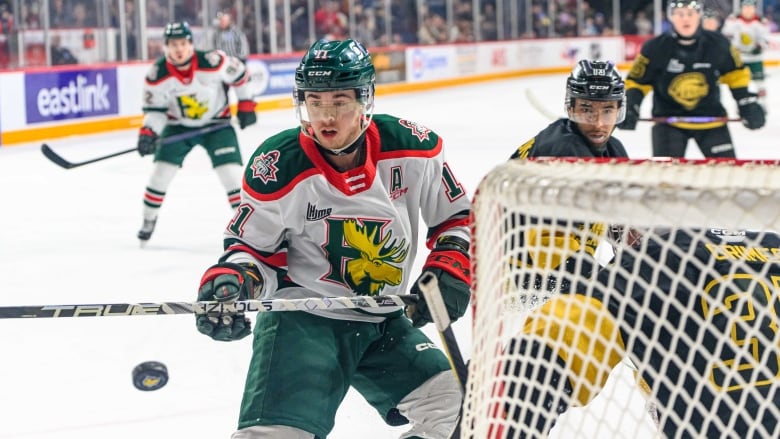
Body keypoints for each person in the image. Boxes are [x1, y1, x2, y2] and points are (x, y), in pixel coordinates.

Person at [194, 38, 471, 438]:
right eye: (315, 102)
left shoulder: (415, 148)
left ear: (364, 101)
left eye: (340, 101)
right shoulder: (279, 165)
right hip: (304, 319)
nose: (326, 116)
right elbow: (252, 250)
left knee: (466, 414)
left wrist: (450, 268)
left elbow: (457, 219)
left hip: (383, 320)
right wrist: (232, 282)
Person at [498, 227, 780, 438]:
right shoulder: (772, 247)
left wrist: (499, 404)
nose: (623, 243)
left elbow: (547, 350)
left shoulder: (657, 261)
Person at [136, 21, 257, 244]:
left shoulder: (213, 61)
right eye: (173, 45)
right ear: (166, 47)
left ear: (191, 44)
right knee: (160, 174)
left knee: (230, 175)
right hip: (178, 126)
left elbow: (240, 73)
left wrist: (247, 103)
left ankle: (248, 227)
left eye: (183, 43)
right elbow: (155, 112)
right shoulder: (157, 75)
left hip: (216, 125)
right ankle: (148, 219)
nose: (179, 49)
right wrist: (149, 132)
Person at [618, 0, 765, 158]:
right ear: (671, 17)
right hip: (668, 122)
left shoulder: (718, 44)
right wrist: (631, 104)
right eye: (680, 14)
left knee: (727, 173)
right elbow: (637, 81)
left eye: (690, 14)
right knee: (666, 179)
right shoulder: (655, 47)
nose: (685, 19)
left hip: (712, 120)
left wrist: (746, 103)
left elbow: (736, 76)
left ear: (699, 15)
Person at [511, 59, 629, 160]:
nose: (598, 124)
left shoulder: (614, 147)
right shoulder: (566, 149)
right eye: (587, 110)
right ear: (571, 109)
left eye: (607, 111)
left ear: (618, 111)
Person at [721, 0, 770, 111]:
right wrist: (732, 48)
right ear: (741, 9)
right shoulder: (733, 21)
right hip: (740, 60)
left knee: (760, 83)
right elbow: (726, 36)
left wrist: (760, 46)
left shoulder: (760, 22)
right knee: (741, 86)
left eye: (750, 7)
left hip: (755, 59)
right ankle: (740, 107)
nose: (748, 10)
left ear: (754, 9)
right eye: (745, 7)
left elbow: (766, 39)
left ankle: (762, 105)